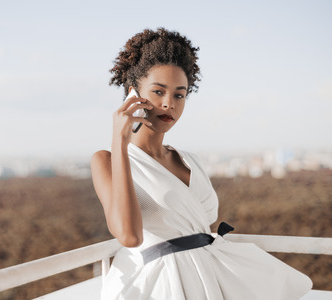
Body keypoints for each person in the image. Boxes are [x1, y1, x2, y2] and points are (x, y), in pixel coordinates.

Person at [90, 28, 312, 300]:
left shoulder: (189, 159)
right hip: (162, 286)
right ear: (133, 93)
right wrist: (119, 141)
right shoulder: (108, 159)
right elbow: (129, 236)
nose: (168, 103)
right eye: (158, 91)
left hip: (209, 280)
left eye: (179, 95)